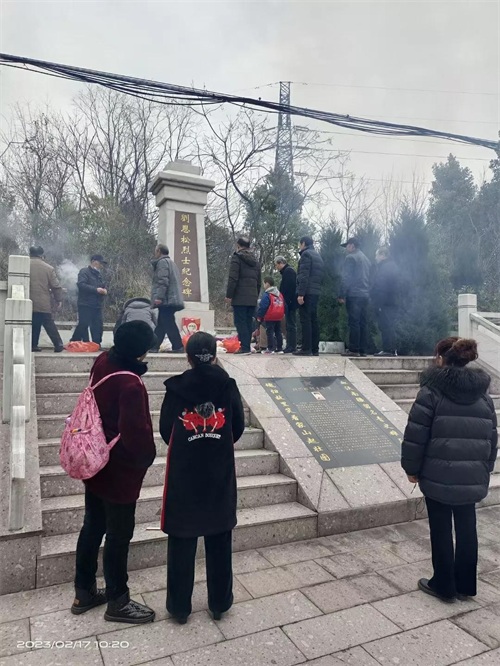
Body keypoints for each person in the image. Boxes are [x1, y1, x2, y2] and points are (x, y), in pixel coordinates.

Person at [72, 321, 158, 624]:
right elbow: (136, 435)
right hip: (118, 471)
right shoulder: (130, 384)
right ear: (140, 351)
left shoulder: (103, 361)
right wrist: (146, 458)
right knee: (119, 536)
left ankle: (83, 592)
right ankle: (118, 601)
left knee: (92, 526)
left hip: (94, 460)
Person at [401, 337, 497, 603]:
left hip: (437, 475)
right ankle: (465, 585)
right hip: (472, 476)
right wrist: (486, 468)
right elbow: (492, 438)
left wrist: (411, 468)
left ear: (442, 359)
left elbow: (416, 435)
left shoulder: (430, 392)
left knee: (441, 528)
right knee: (467, 527)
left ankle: (443, 585)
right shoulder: (483, 396)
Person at [159, 332, 245, 624]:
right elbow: (237, 427)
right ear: (215, 355)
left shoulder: (176, 388)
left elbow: (165, 429)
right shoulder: (227, 385)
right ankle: (219, 603)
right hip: (218, 470)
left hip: (184, 471)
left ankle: (179, 607)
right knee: (219, 535)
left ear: (188, 357)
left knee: (182, 537)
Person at [225, 237, 261, 355]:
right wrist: (255, 296)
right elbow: (259, 282)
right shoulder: (255, 261)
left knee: (240, 322)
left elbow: (233, 278)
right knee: (248, 322)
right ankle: (246, 346)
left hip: (240, 298)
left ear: (238, 245)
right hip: (252, 298)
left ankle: (244, 347)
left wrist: (229, 295)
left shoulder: (237, 258)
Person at [338, 238, 371, 357]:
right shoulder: (366, 259)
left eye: (347, 246)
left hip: (354, 294)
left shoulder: (350, 258)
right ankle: (362, 349)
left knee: (354, 322)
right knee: (363, 322)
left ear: (352, 245)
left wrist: (341, 294)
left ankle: (353, 349)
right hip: (365, 294)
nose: (346, 248)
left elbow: (346, 277)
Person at [29, 246, 64, 353]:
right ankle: (58, 344)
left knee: (34, 322)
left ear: (30, 254)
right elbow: (56, 286)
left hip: (27, 301)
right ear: (42, 255)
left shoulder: (23, 265)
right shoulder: (48, 268)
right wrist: (59, 300)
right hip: (42, 301)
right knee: (48, 322)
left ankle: (33, 345)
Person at [150, 244, 184, 353]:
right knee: (162, 324)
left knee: (168, 323)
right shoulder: (172, 263)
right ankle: (154, 346)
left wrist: (159, 297)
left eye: (156, 251)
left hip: (167, 300)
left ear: (159, 251)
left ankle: (178, 346)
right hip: (171, 299)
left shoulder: (162, 263)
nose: (155, 253)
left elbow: (163, 281)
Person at [294, 236, 324, 357]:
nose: (299, 246)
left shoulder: (306, 255)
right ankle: (314, 349)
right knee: (313, 320)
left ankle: (306, 348)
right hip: (315, 292)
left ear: (303, 243)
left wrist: (301, 294)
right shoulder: (318, 256)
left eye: (300, 244)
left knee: (305, 320)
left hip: (307, 292)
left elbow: (304, 275)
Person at [71, 254, 108, 347]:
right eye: (100, 263)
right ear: (93, 262)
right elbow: (81, 285)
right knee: (83, 324)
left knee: (98, 325)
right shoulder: (84, 272)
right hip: (85, 303)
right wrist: (96, 290)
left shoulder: (99, 274)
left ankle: (96, 344)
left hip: (97, 304)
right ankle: (74, 341)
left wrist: (104, 290)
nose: (101, 266)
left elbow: (102, 285)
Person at [371, 246, 400, 357]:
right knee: (390, 325)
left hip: (385, 302)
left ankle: (388, 349)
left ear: (383, 255)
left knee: (385, 325)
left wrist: (378, 304)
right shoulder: (393, 266)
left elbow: (381, 287)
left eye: (377, 255)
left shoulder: (385, 268)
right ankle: (392, 349)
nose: (376, 258)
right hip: (392, 301)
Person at [275, 256, 298, 354]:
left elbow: (289, 288)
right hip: (289, 302)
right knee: (289, 324)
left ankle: (291, 346)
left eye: (276, 265)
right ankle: (291, 345)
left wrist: (286, 301)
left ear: (280, 263)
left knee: (291, 324)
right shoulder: (287, 271)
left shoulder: (288, 272)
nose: (276, 267)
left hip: (290, 303)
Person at [256, 276, 285, 354]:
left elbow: (263, 306)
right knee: (278, 331)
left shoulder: (267, 294)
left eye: (264, 283)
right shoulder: (279, 294)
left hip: (270, 316)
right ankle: (279, 348)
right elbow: (284, 304)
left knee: (270, 332)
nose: (264, 285)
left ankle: (270, 348)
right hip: (279, 315)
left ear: (267, 284)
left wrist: (259, 316)